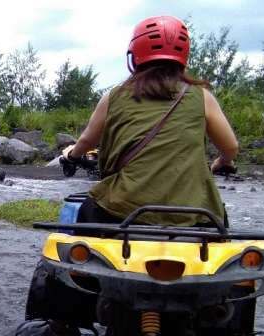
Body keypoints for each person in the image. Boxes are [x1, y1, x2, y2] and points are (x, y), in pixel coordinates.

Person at [63, 15, 238, 227]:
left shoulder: (114, 97)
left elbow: (87, 141)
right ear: (183, 57)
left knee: (85, 212)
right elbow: (230, 147)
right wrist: (223, 162)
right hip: (196, 215)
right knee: (219, 220)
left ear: (135, 55)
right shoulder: (202, 97)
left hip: (121, 209)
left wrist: (72, 155)